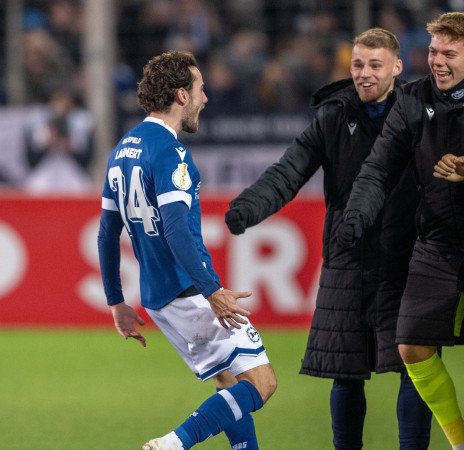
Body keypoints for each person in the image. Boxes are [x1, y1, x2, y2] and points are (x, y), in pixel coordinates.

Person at [224, 28, 432, 450]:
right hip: (348, 258)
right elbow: (290, 170)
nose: (364, 73)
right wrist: (249, 207)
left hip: (406, 258)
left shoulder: (421, 114)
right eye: (358, 64)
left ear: (397, 67)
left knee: (416, 369)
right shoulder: (334, 115)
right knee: (345, 372)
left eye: (375, 65)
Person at [336, 12, 464, 450]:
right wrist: (357, 213)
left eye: (449, 53)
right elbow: (379, 166)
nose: (438, 61)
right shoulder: (412, 100)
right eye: (434, 51)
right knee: (411, 347)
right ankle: (462, 445)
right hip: (435, 241)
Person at [97, 51, 276, 450]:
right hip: (189, 289)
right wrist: (212, 290)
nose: (205, 98)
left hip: (158, 297)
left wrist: (116, 301)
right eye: (200, 89)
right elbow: (177, 230)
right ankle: (174, 443)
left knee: (227, 381)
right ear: (181, 95)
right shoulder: (170, 152)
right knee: (261, 383)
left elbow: (107, 233)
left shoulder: (122, 150)